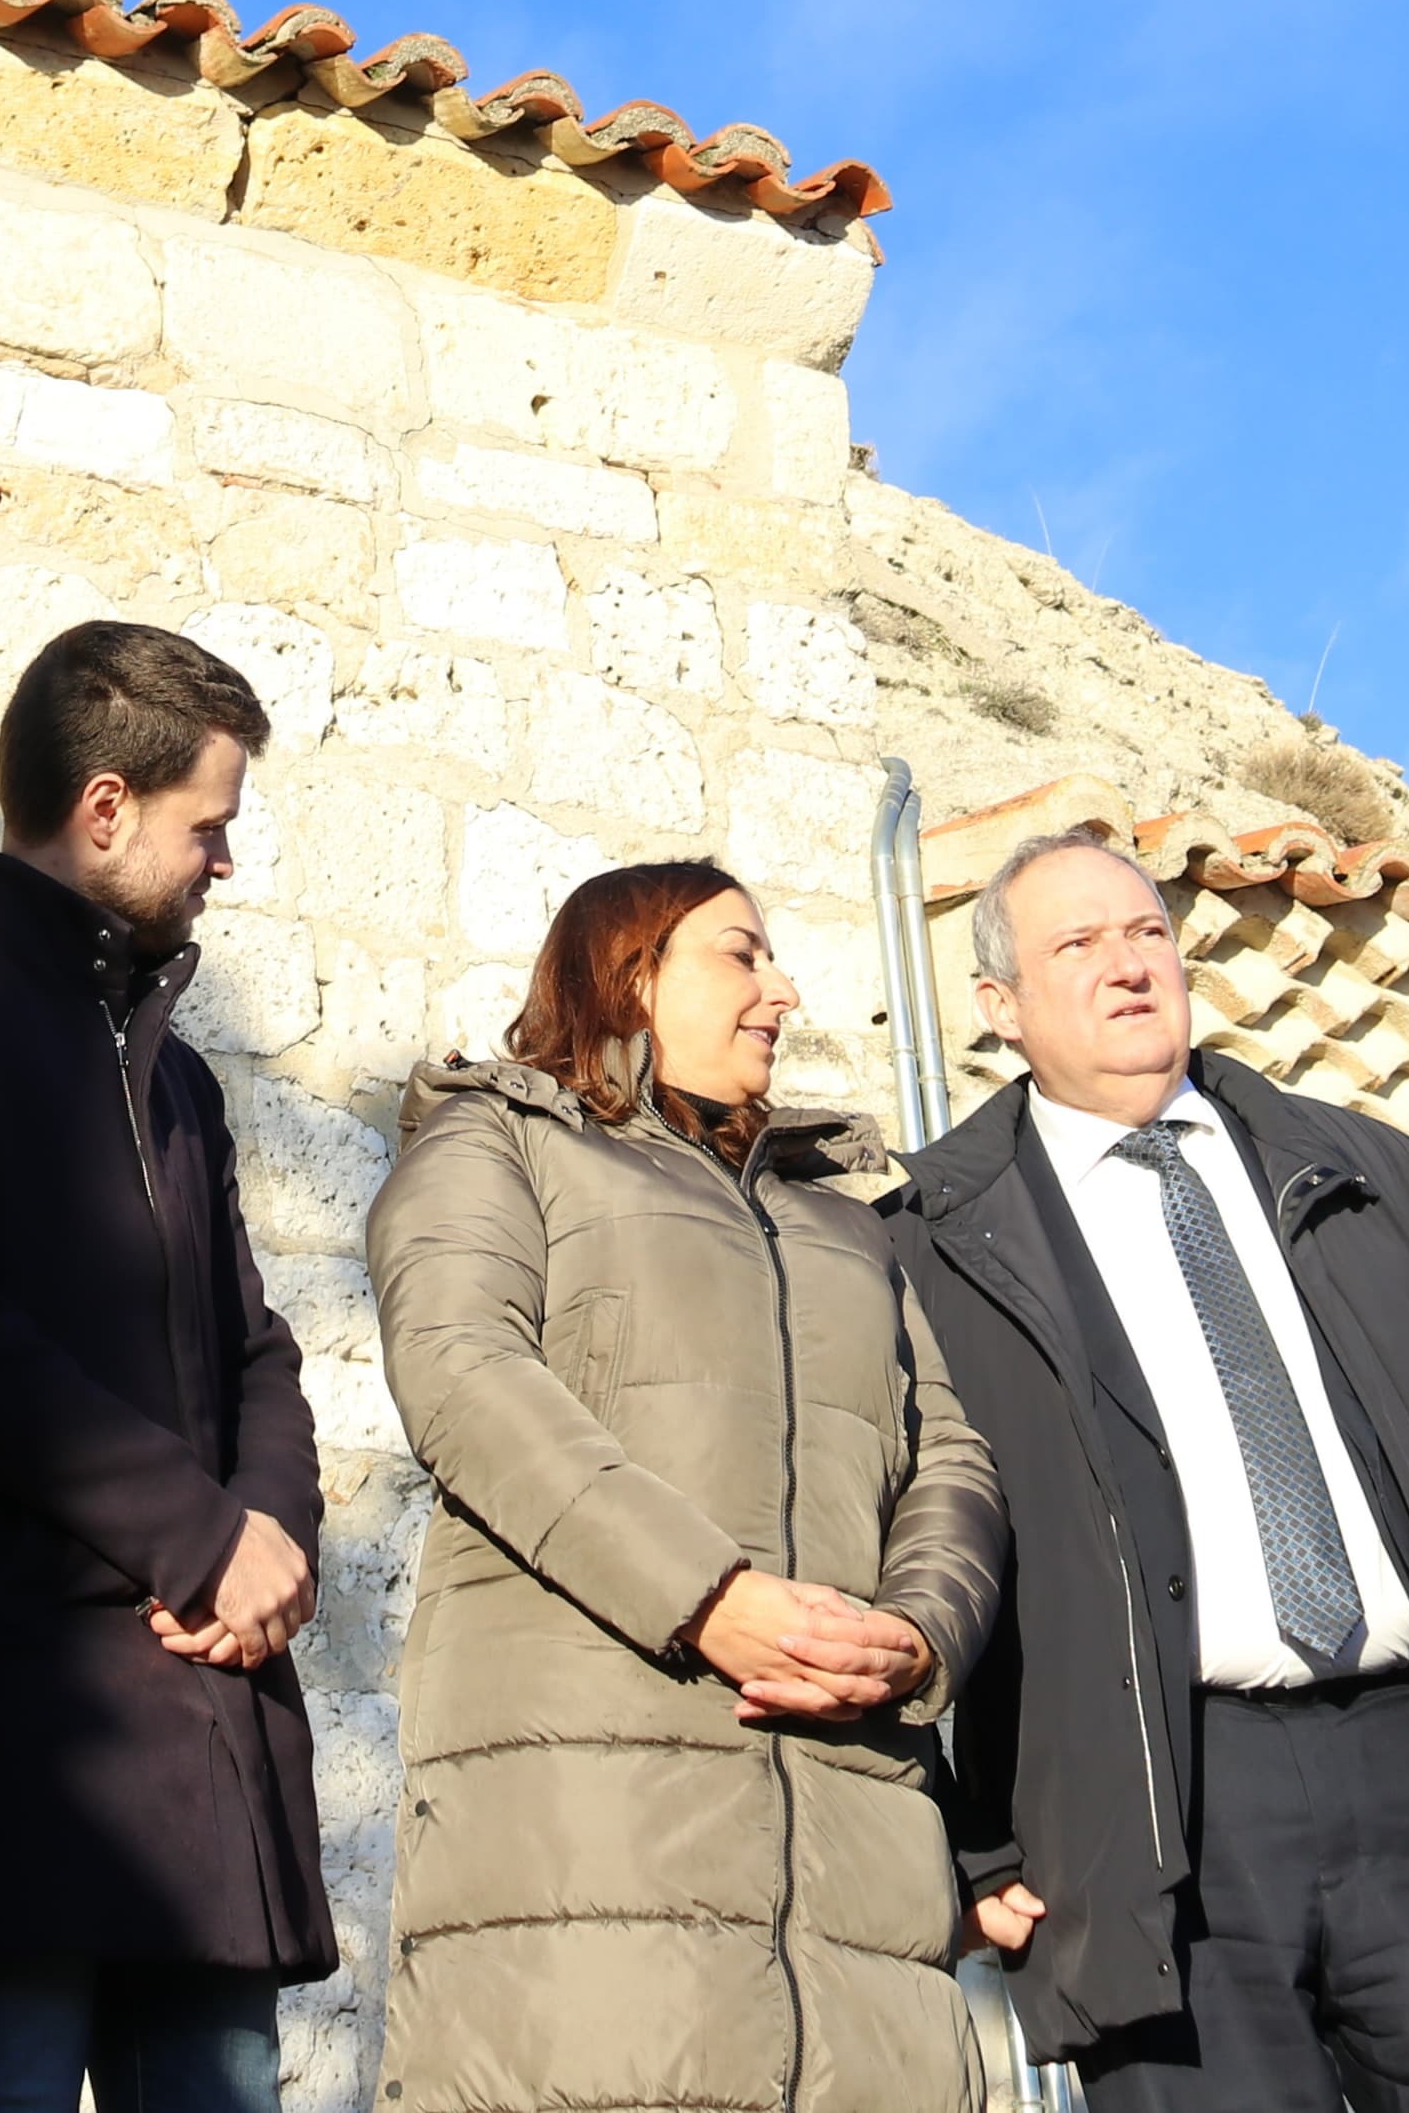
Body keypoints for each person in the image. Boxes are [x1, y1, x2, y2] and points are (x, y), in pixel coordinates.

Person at [889, 833, 1409, 2113]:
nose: (1127, 967)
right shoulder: (932, 1244)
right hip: (1154, 1812)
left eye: (1145, 933)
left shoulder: (1362, 1174)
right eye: (1076, 944)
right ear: (997, 1007)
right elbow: (922, 1561)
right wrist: (963, 1840)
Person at [363, 861, 1004, 2113]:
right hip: (590, 1818)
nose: (783, 989)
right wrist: (706, 1597)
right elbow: (459, 1370)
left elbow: (949, 1453)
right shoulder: (496, 1139)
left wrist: (917, 1637)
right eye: (742, 955)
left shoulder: (847, 1226)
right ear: (632, 971)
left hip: (856, 1824)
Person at [0, 621, 333, 2113]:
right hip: (14, 1738)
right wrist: (200, 1536)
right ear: (103, 806)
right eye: (206, 826)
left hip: (207, 1732)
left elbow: (255, 1345)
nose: (221, 862)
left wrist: (271, 1542)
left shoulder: (175, 1069)